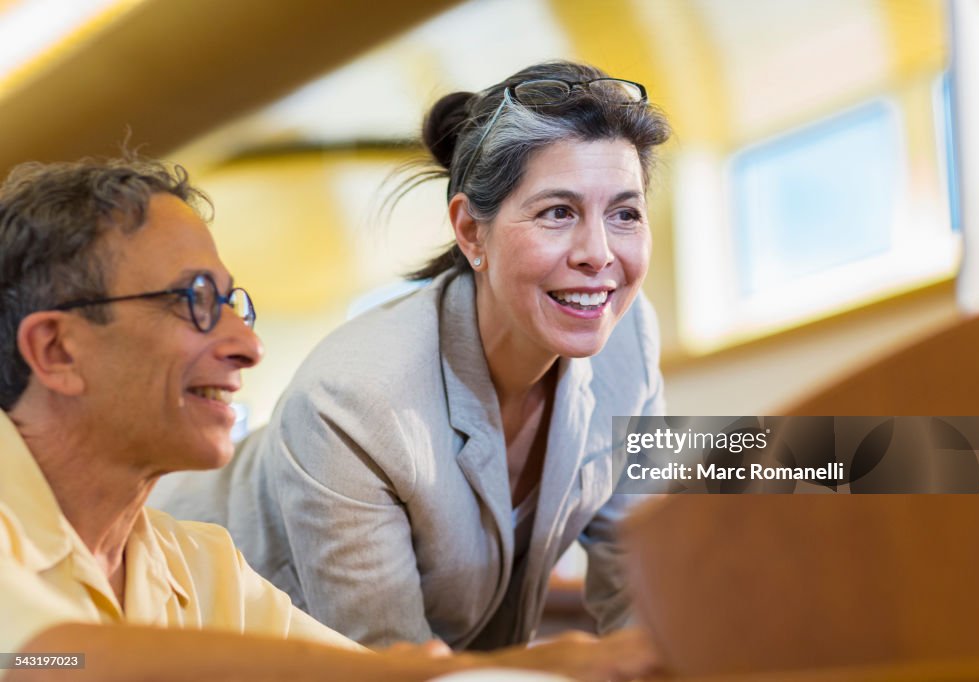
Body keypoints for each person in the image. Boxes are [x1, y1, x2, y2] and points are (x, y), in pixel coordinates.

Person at [0, 156, 659, 682]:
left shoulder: (197, 562)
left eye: (625, 212)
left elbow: (358, 671)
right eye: (195, 300)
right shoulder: (358, 393)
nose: (248, 346)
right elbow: (42, 662)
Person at [155, 60, 671, 650]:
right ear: (472, 233)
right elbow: (387, 662)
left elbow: (642, 568)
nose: (598, 253)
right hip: (187, 627)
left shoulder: (628, 342)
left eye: (624, 214)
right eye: (559, 212)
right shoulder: (355, 399)